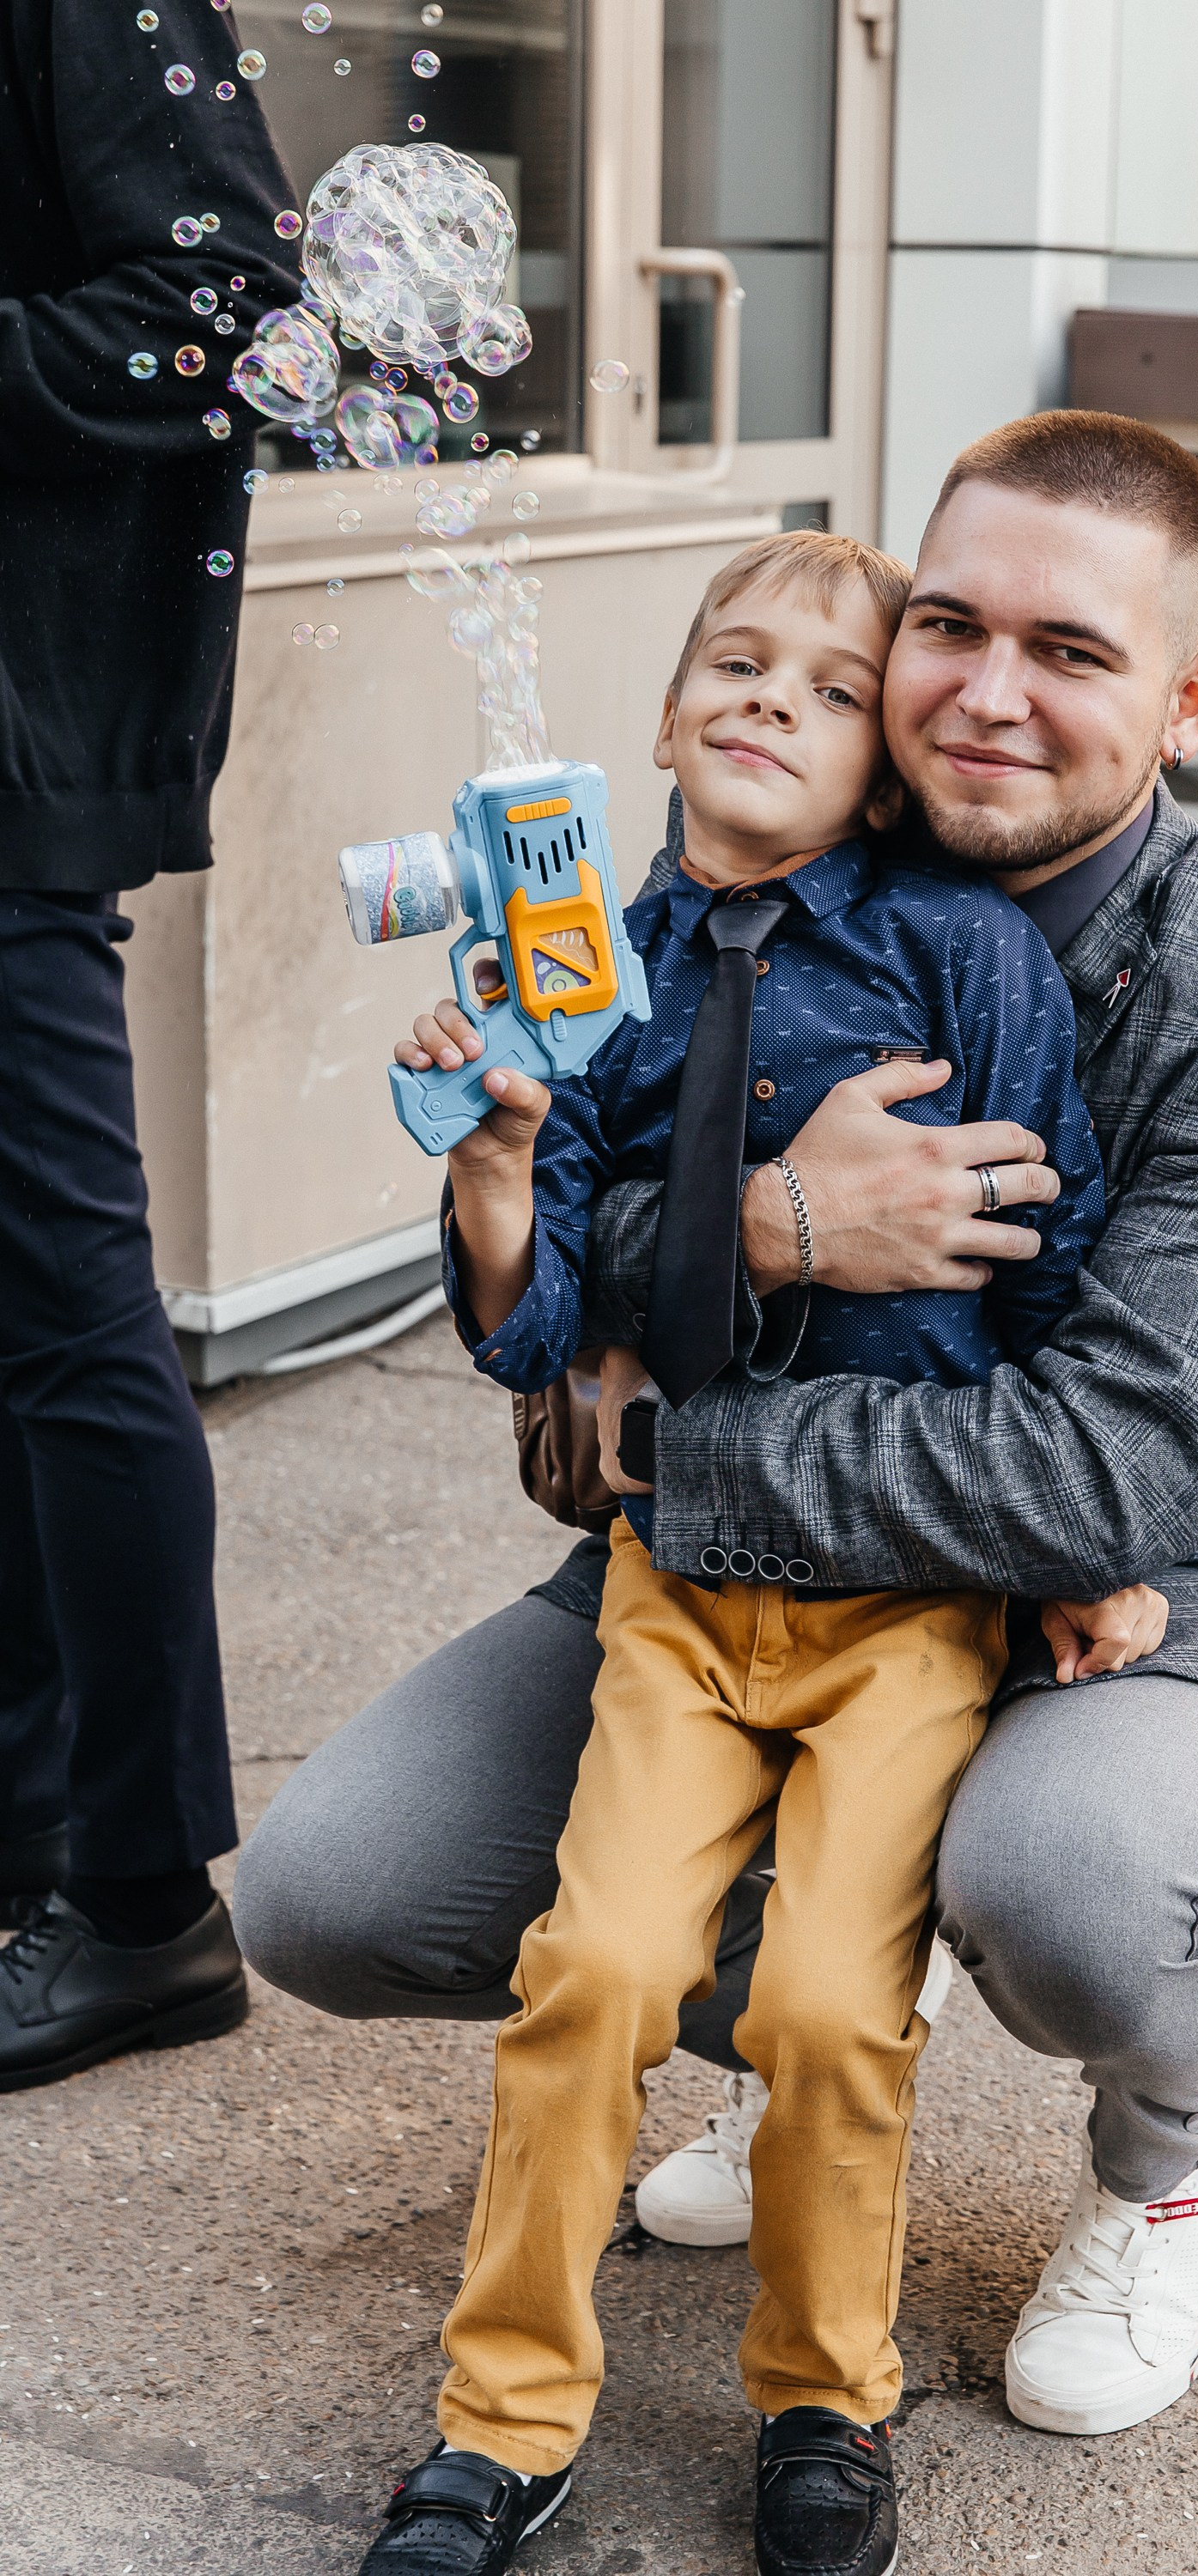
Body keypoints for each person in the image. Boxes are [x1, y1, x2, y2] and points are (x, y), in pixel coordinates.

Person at [235, 410, 1198, 2464]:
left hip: (1118, 1592)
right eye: (944, 626)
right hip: (733, 1584)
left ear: (1192, 696)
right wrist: (764, 1220)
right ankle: (807, 2009)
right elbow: (565, 1209)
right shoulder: (723, 889)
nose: (986, 692)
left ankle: (1161, 2147)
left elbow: (1102, 1473)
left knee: (1080, 1879)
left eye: (1073, 650)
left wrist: (658, 1446)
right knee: (336, 1891)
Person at [356, 527, 1169, 2576]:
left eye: (823, 690)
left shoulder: (953, 953)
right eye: (733, 663)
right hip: (679, 1596)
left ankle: (825, 2403)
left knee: (822, 2003)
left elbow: (1051, 1254)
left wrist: (1085, 1539)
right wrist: (502, 1171)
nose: (764, 701)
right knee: (597, 1971)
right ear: (660, 714)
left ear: (874, 770)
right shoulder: (589, 965)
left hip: (904, 1603)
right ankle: (502, 2420)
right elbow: (544, 1339)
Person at [0, 0, 300, 2086]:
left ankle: (138, 1906)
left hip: (14, 745)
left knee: (67, 1317)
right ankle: (40, 1847)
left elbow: (227, 305)